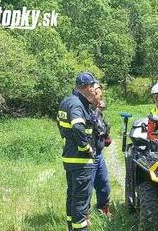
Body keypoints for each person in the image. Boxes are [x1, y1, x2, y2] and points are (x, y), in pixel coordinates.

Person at [57, 72, 98, 231]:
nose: (95, 90)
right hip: (80, 160)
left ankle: (71, 227)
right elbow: (78, 127)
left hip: (70, 158)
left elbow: (61, 126)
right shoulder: (76, 104)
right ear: (87, 87)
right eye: (93, 86)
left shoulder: (66, 101)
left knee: (72, 197)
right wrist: (85, 147)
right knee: (81, 200)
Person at [90, 84, 112, 216]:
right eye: (99, 95)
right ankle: (84, 216)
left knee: (104, 184)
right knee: (86, 188)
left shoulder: (98, 112)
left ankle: (103, 210)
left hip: (99, 154)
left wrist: (107, 137)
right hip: (88, 155)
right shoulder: (86, 109)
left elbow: (102, 127)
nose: (101, 99)